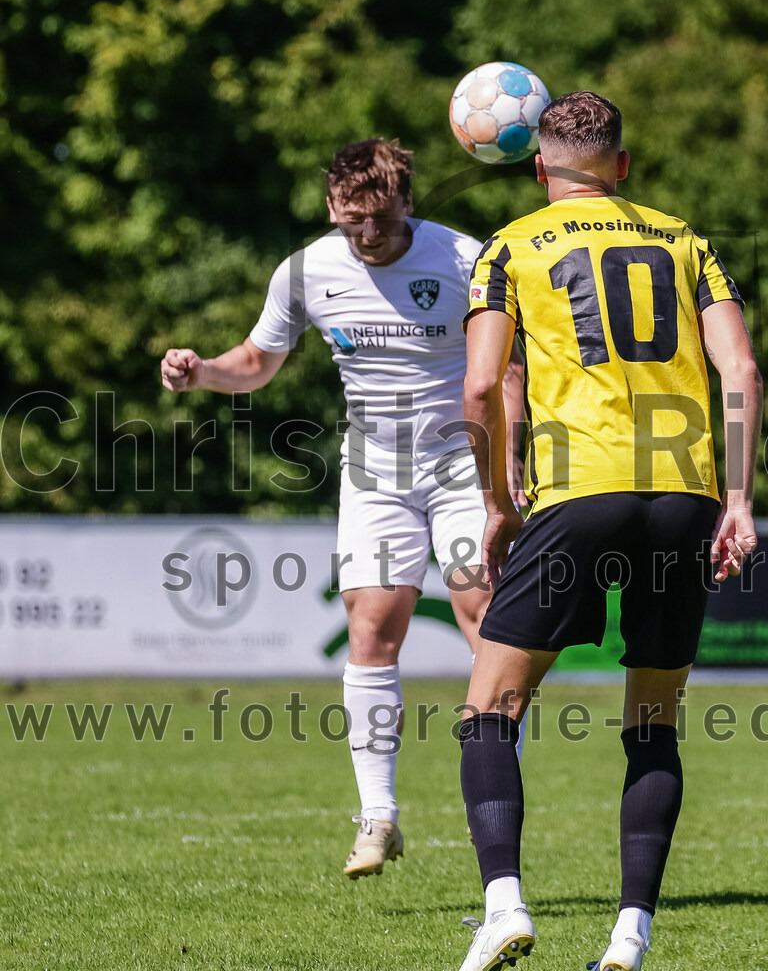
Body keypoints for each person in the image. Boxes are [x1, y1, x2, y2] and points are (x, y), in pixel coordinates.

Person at [160, 138, 524, 881]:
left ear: (409, 204)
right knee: (371, 623)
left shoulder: (466, 260)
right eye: (353, 219)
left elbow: (510, 369)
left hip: (464, 463)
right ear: (332, 207)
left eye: (382, 219)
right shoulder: (305, 271)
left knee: (481, 609)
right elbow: (257, 364)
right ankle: (378, 817)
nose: (368, 234)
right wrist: (201, 372)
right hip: (377, 471)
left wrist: (506, 474)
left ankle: (490, 794)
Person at [455, 93, 762, 971]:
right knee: (654, 722)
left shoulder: (509, 248)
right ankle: (631, 935)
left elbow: (481, 389)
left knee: (489, 710)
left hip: (579, 492)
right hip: (684, 495)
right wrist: (736, 498)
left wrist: (497, 500)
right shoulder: (684, 240)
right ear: (622, 166)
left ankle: (504, 907)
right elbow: (737, 364)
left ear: (537, 167)